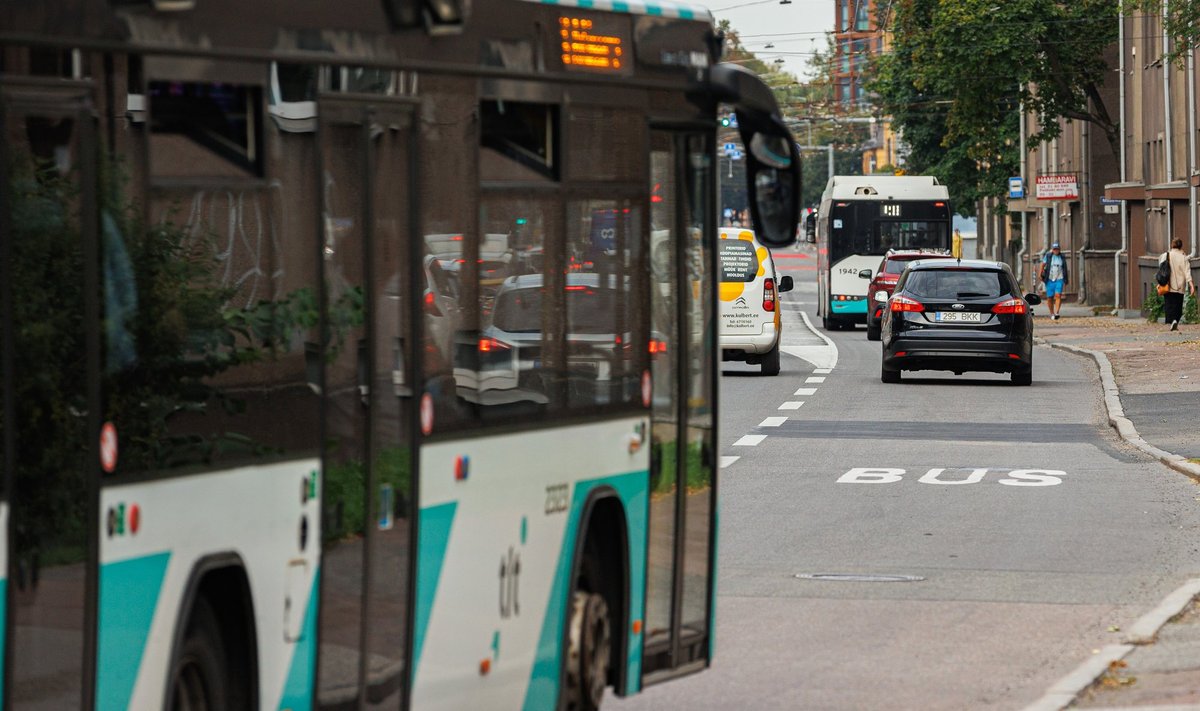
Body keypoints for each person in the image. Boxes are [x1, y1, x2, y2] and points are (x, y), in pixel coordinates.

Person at [1162, 238, 1196, 330]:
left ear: (1172, 245)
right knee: (1178, 305)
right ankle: (1175, 320)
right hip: (1180, 286)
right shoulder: (1183, 257)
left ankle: (1172, 320)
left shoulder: (1166, 255)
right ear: (1181, 246)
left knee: (1169, 304)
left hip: (1168, 285)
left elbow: (1161, 268)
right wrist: (1191, 285)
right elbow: (1187, 272)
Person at [1039, 242, 1069, 320]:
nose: (1056, 251)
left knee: (1058, 295)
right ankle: (1052, 313)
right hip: (1049, 279)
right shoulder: (1048, 256)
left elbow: (1065, 268)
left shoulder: (1062, 257)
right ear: (1052, 250)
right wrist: (1040, 274)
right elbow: (1043, 264)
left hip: (1059, 278)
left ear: (1059, 250)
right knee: (1050, 297)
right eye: (1054, 249)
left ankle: (1057, 312)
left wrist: (1066, 279)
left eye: (1057, 249)